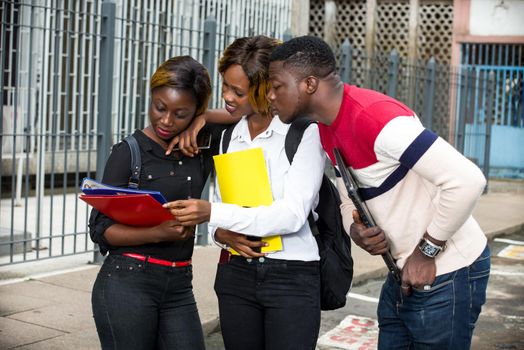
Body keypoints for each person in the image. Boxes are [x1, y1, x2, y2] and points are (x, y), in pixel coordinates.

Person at [266, 35, 490, 350]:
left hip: (447, 272)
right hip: (402, 275)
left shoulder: (377, 120)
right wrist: (354, 230)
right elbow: (349, 198)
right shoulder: (327, 125)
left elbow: (467, 180)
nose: (270, 96)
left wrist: (426, 252)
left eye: (277, 86)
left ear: (309, 84)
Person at [164, 35, 326, 350]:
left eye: (237, 91)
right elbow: (221, 215)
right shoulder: (225, 137)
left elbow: (292, 215)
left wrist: (213, 213)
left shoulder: (305, 134)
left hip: (291, 276)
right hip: (235, 274)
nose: (226, 97)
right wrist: (222, 234)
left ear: (268, 89)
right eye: (225, 86)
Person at [88, 56, 224, 350]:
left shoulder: (200, 147)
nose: (166, 120)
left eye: (181, 113)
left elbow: (252, 112)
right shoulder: (129, 152)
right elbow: (99, 228)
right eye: (159, 107)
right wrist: (159, 232)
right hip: (127, 282)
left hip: (179, 284)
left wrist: (205, 119)